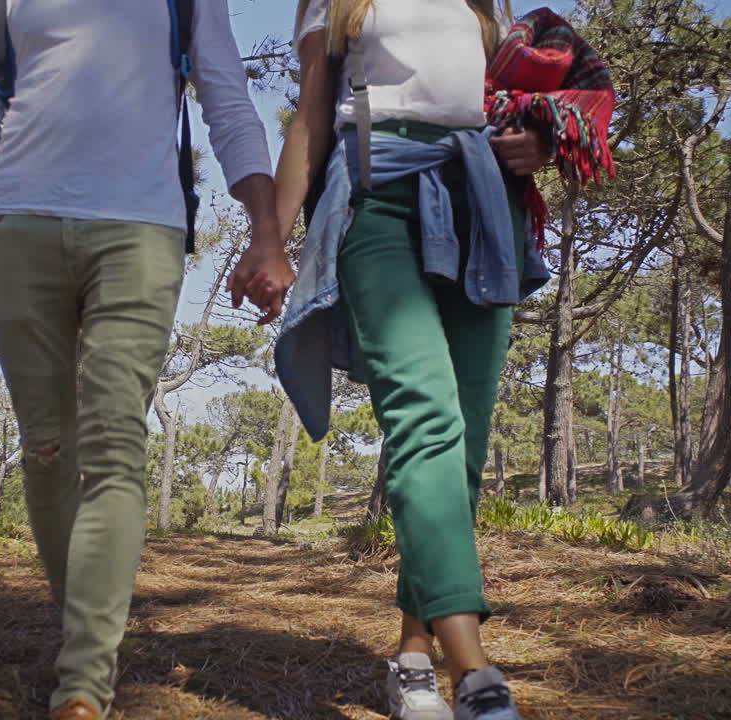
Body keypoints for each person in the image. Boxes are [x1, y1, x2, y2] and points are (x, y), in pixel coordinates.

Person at [0, 2, 294, 718]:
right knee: (48, 450)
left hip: (141, 228)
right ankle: (79, 626)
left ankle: (84, 682)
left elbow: (228, 104)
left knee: (116, 439)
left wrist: (266, 233)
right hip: (16, 223)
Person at [267, 0, 586, 717]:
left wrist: (537, 147)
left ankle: (414, 654)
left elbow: (504, 106)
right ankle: (475, 672)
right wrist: (270, 240)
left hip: (483, 200)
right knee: (425, 416)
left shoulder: (486, 5)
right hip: (378, 200)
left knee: (463, 442)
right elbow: (312, 122)